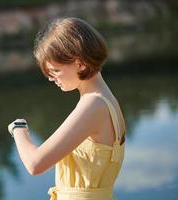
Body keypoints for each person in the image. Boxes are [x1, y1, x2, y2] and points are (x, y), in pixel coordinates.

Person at [8, 17, 126, 200]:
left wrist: (18, 129)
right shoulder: (107, 100)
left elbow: (35, 164)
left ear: (79, 63)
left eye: (55, 71)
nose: (51, 78)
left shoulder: (93, 105)